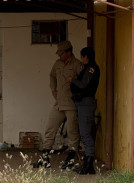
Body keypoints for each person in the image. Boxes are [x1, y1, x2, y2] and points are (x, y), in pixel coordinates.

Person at [33, 40, 83, 169]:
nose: (59, 55)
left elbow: (83, 83)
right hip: (59, 103)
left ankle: (70, 160)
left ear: (69, 52)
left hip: (71, 104)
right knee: (50, 129)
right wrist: (53, 90)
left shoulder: (77, 65)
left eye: (61, 53)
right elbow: (52, 76)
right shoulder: (57, 64)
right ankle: (45, 159)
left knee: (72, 132)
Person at [66, 47, 100, 174]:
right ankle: (87, 162)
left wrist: (72, 80)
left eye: (82, 57)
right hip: (82, 103)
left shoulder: (92, 69)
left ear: (86, 57)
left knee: (86, 134)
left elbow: (83, 85)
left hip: (86, 102)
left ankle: (89, 164)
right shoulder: (87, 68)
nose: (81, 59)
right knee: (84, 133)